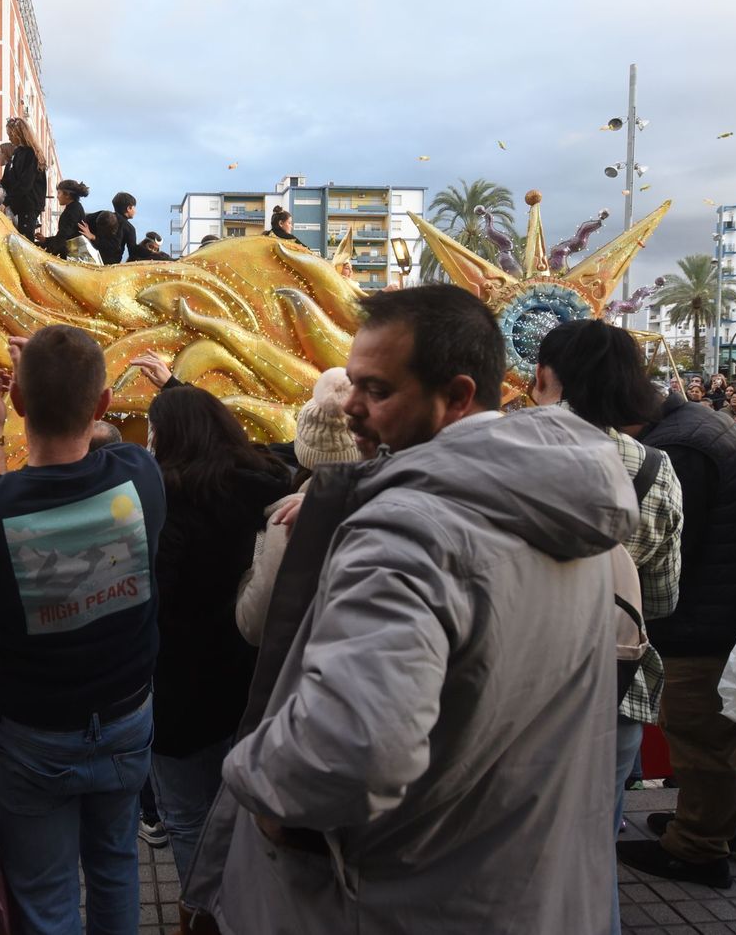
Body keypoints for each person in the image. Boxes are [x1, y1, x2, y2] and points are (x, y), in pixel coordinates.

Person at [189, 286, 640, 935]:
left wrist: (258, 782)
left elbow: (353, 748)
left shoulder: (409, 528)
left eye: (376, 390)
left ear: (457, 397)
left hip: (402, 896)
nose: (349, 407)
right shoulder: (572, 510)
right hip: (523, 884)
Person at [0, 326, 165, 935]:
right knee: (118, 865)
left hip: (37, 736)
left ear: (15, 404)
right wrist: (51, 378)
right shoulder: (140, 476)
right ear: (100, 408)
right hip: (125, 718)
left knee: (45, 894)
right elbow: (94, 441)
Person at [531, 319, 685, 935]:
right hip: (613, 679)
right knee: (594, 844)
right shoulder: (655, 469)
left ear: (545, 377)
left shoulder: (494, 450)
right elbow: (663, 599)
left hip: (515, 680)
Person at [617, 345, 736, 890]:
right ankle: (721, 822)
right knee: (713, 736)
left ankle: (698, 848)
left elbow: (669, 545)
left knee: (699, 734)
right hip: (725, 608)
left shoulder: (679, 447)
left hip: (704, 620)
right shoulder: (695, 426)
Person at [143, 382, 291, 903]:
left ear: (167, 436)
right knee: (246, 811)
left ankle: (205, 912)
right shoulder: (269, 484)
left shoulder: (165, 504)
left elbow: (155, 598)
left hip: (182, 688)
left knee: (187, 816)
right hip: (252, 678)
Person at [235, 367, 362, 645]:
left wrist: (249, 573)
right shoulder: (382, 499)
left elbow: (252, 624)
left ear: (302, 450)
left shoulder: (289, 518)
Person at [0, 116, 49, 242]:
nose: (9, 138)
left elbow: (25, 183)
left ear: (18, 134)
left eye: (10, 134)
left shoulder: (31, 154)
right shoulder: (18, 153)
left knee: (25, 239)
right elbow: (13, 178)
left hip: (28, 204)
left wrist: (7, 201)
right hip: (21, 203)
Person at [44, 179, 90, 258]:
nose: (57, 196)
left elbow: (63, 236)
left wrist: (47, 250)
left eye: (59, 193)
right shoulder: (75, 207)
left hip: (70, 256)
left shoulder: (72, 211)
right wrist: (45, 240)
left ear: (67, 195)